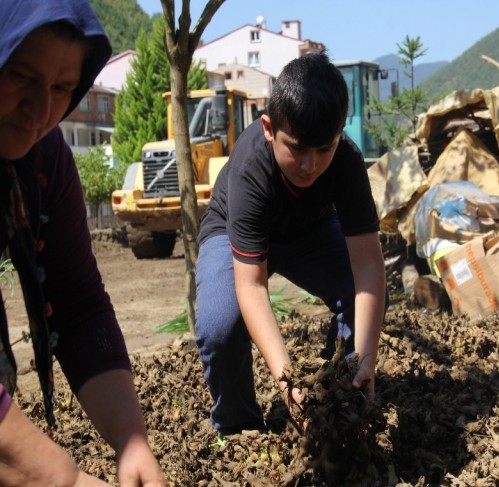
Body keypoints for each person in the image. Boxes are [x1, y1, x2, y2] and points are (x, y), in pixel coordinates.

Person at [0, 1, 167, 485]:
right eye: (19, 76)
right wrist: (64, 478)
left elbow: (77, 307)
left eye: (60, 89)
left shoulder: (43, 158)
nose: (39, 110)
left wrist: (131, 441)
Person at [195, 51, 388, 435]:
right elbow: (252, 286)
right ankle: (238, 426)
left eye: (324, 149)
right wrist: (287, 380)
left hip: (309, 230)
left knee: (360, 293)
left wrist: (367, 358)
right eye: (297, 148)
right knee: (220, 324)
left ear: (339, 134)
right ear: (269, 128)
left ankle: (343, 387)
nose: (310, 165)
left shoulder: (347, 162)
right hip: (232, 230)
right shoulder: (251, 169)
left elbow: (368, 266)